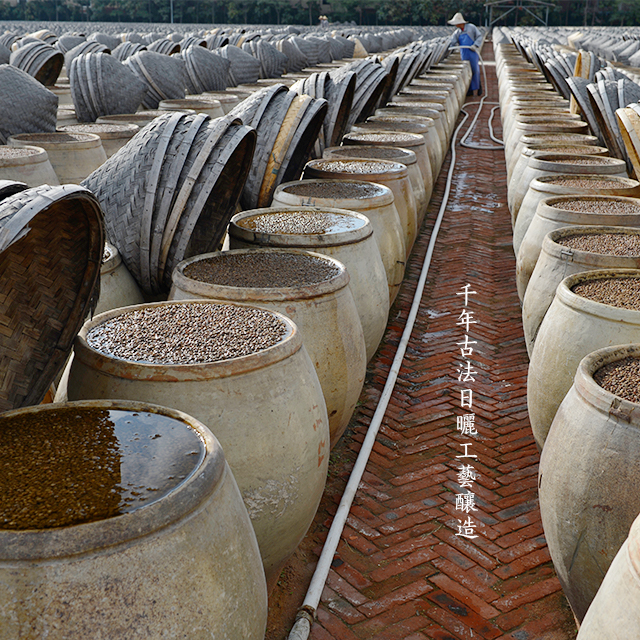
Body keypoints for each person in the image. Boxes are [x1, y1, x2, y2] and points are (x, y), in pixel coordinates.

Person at [448, 12, 483, 97]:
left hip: (472, 52)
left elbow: (479, 36)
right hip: (464, 53)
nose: (455, 25)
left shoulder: (471, 27)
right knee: (467, 71)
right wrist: (448, 47)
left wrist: (475, 45)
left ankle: (478, 88)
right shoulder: (457, 32)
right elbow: (452, 41)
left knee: (475, 70)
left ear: (461, 23)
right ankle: (469, 90)